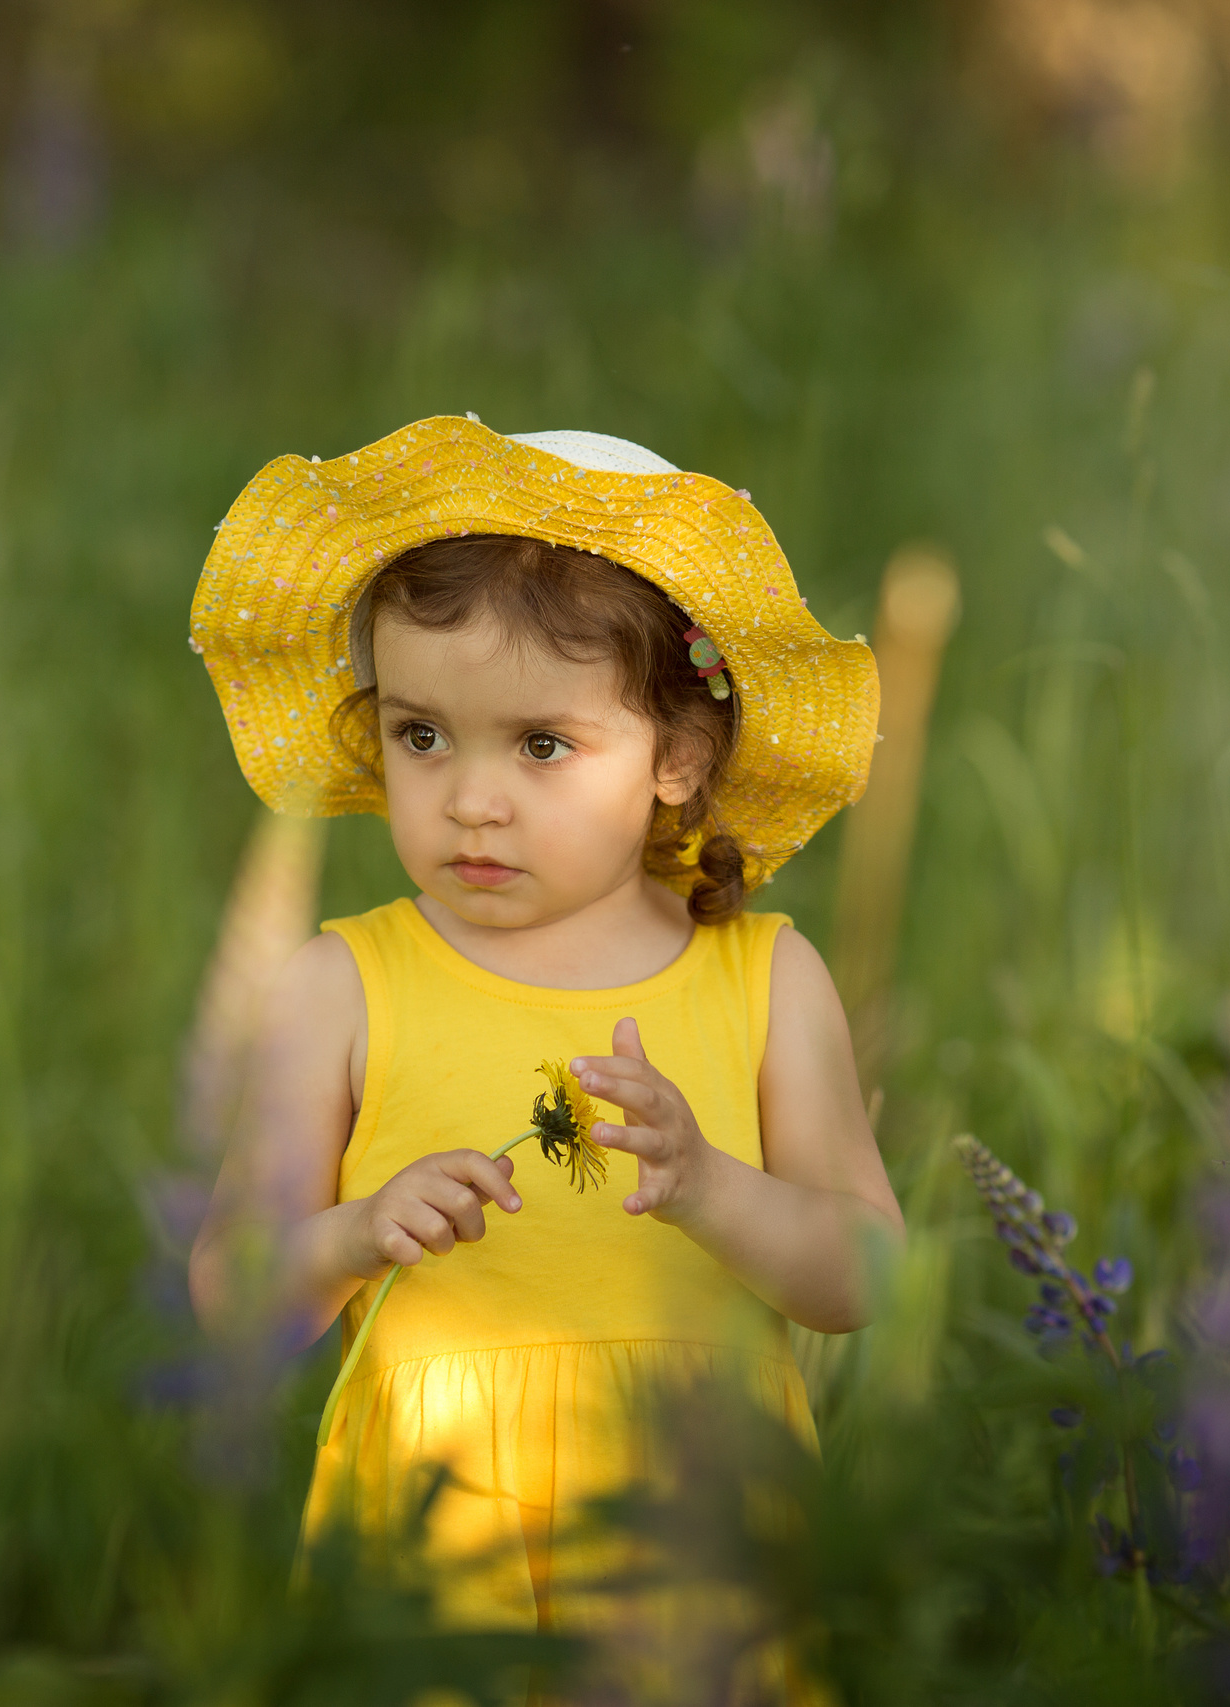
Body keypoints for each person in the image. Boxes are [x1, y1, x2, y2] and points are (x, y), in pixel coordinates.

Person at [185, 416, 902, 1699]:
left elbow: (867, 1276)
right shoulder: (340, 986)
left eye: (540, 746)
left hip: (694, 1525)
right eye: (421, 736)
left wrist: (707, 1185)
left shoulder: (765, 978)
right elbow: (228, 1297)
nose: (470, 798)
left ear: (677, 759)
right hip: (435, 1529)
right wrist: (353, 1234)